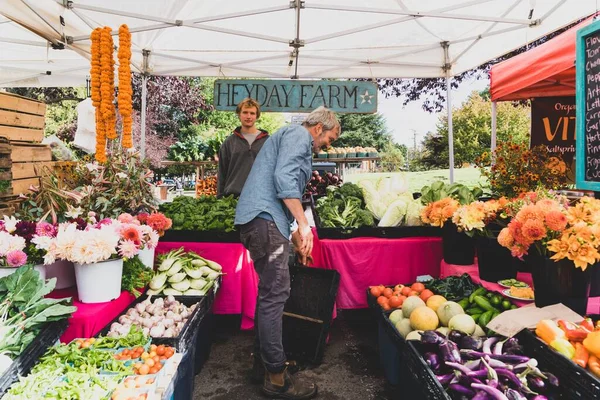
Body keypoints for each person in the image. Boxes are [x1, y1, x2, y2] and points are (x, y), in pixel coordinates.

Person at [235, 106, 341, 399]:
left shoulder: (289, 138)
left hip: (262, 221)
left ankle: (263, 363)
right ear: (319, 128)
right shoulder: (298, 134)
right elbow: (284, 181)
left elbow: (283, 190)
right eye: (329, 138)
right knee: (276, 294)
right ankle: (276, 376)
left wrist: (294, 233)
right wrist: (305, 226)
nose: (327, 145)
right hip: (264, 220)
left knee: (268, 293)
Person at [217, 98, 269, 198]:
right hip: (233, 198)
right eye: (245, 112)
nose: (248, 116)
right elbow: (222, 173)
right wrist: (219, 198)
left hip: (261, 197)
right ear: (239, 115)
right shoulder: (229, 143)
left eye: (252, 113)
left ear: (257, 116)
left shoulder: (268, 142)